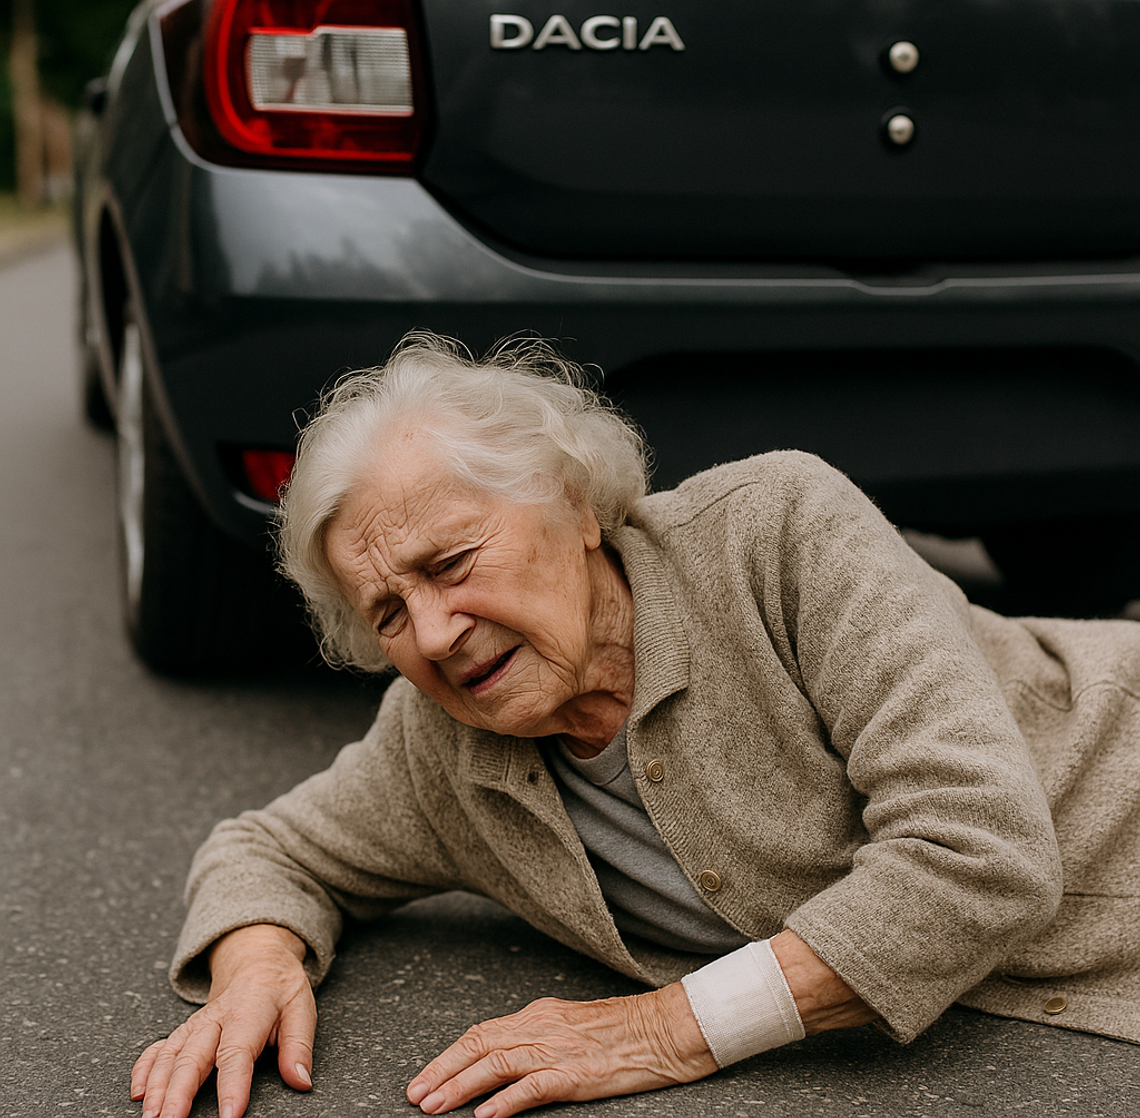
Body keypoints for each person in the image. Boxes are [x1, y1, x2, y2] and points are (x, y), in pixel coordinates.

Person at [131, 333, 1140, 1118]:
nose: (433, 634)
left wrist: (661, 1031)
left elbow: (979, 854)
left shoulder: (776, 531)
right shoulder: (443, 748)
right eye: (387, 612)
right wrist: (255, 966)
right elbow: (268, 849)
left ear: (576, 508)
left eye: (451, 564)